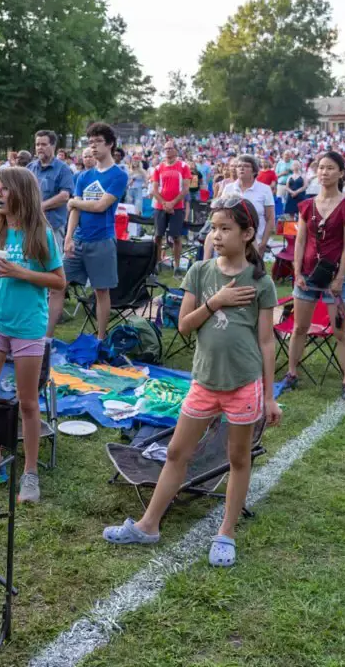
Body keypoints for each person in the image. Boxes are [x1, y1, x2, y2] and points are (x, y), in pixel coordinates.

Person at [102, 195, 280, 567]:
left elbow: (266, 341)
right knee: (176, 453)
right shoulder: (199, 271)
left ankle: (226, 533)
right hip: (203, 382)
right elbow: (183, 326)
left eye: (225, 228)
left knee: (238, 458)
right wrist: (218, 301)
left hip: (244, 385)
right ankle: (149, 525)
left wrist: (270, 397)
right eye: (213, 228)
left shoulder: (262, 282)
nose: (216, 235)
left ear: (248, 234)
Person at [0, 167, 65, 502]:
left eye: (4, 188)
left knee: (27, 402)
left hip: (28, 326)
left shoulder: (41, 235)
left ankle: (31, 474)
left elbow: (58, 281)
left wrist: (20, 272)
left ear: (20, 193)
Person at [284, 152, 345, 397]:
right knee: (299, 328)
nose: (324, 172)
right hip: (306, 276)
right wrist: (296, 271)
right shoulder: (306, 205)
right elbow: (300, 241)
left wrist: (339, 279)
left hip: (334, 279)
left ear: (340, 173)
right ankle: (291, 373)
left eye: (330, 168)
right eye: (321, 168)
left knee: (340, 332)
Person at [65, 123, 128, 341]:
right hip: (79, 240)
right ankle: (44, 338)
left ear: (110, 144)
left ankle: (101, 339)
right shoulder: (83, 176)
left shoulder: (118, 175)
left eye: (97, 142)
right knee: (56, 286)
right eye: (90, 142)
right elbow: (74, 211)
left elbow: (101, 206)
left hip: (102, 241)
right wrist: (68, 237)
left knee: (102, 291)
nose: (92, 147)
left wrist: (75, 202)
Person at [28, 130, 75, 336]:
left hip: (52, 228)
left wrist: (39, 206)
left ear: (53, 146)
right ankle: (30, 325)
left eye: (44, 144)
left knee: (52, 277)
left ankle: (47, 335)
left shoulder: (63, 169)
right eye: (37, 144)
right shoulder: (30, 168)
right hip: (31, 228)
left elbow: (65, 195)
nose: (39, 148)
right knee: (31, 274)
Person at [207, 155, 274, 259]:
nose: (241, 168)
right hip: (231, 242)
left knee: (252, 272)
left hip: (255, 241)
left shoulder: (265, 190)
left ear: (254, 170)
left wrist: (264, 243)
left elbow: (270, 218)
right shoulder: (229, 188)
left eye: (246, 166)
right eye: (239, 166)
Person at [151, 140, 193, 273]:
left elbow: (186, 189)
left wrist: (172, 203)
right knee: (158, 236)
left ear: (176, 150)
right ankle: (157, 262)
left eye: (170, 148)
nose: (167, 151)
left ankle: (176, 265)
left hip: (177, 207)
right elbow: (154, 189)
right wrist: (164, 203)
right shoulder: (158, 168)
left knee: (176, 236)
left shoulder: (183, 166)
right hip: (160, 206)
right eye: (165, 148)